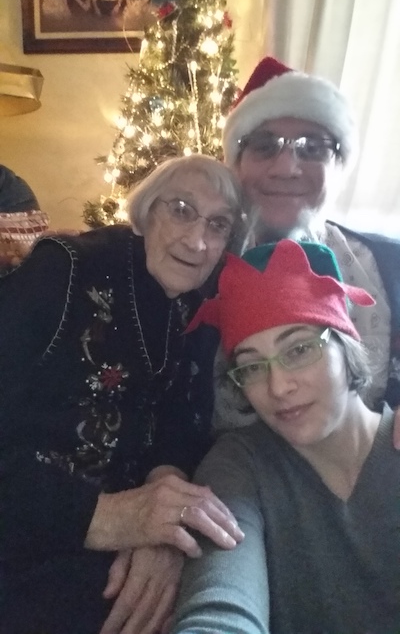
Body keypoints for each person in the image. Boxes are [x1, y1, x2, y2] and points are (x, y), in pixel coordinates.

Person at [0, 155, 246, 634]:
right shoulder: (66, 271)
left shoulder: (200, 301)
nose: (197, 241)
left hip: (115, 556)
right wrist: (111, 517)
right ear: (146, 211)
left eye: (217, 225)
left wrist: (162, 518)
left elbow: (182, 417)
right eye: (180, 209)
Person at [172, 238, 400, 633]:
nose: (278, 387)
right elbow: (219, 605)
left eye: (298, 350)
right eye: (253, 367)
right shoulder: (238, 467)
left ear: (345, 345)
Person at [215, 55, 400, 429]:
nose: (286, 167)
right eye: (265, 146)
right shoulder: (195, 268)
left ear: (339, 166)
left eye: (312, 147)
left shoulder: (391, 265)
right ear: (236, 163)